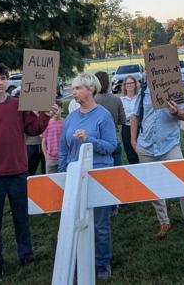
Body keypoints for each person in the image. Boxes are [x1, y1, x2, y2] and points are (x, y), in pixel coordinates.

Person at [0, 62, 54, 285]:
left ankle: (26, 256)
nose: (0, 82)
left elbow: (34, 129)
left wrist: (45, 115)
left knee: (21, 218)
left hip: (18, 172)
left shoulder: (19, 105)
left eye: (3, 78)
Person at [58, 73, 117, 280]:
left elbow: (111, 147)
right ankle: (76, 260)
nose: (73, 92)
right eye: (73, 88)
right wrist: (63, 173)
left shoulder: (103, 115)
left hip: (98, 175)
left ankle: (102, 262)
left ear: (90, 89)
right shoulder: (72, 117)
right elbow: (63, 149)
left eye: (77, 88)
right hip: (75, 177)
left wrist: (89, 139)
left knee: (100, 224)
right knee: (74, 222)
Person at [130, 79, 184, 246]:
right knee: (154, 188)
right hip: (146, 147)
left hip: (170, 146)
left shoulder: (176, 87)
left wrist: (176, 111)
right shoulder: (143, 90)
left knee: (183, 186)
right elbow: (136, 117)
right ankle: (164, 222)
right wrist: (134, 142)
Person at [94, 71, 126, 167]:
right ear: (108, 83)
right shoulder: (116, 99)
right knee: (117, 169)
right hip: (114, 137)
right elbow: (122, 120)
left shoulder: (92, 101)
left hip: (97, 138)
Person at [119, 76, 141, 165]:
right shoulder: (121, 100)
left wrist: (133, 116)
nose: (129, 85)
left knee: (140, 150)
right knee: (130, 153)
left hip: (139, 128)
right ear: (124, 86)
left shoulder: (139, 98)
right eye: (127, 83)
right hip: (127, 128)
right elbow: (121, 116)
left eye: (131, 83)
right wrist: (133, 116)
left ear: (135, 84)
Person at [40, 100, 65, 174]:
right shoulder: (46, 123)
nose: (54, 112)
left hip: (63, 158)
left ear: (62, 109)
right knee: (50, 180)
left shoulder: (66, 122)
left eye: (56, 109)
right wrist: (46, 156)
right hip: (50, 159)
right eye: (52, 110)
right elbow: (43, 142)